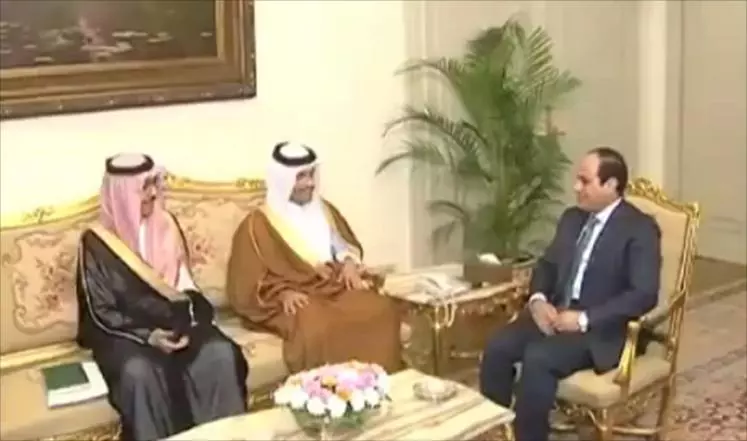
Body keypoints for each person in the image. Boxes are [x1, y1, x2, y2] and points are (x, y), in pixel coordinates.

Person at [479, 147, 661, 441]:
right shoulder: (572, 218)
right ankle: (496, 432)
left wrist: (584, 319)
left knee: (539, 357)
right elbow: (547, 265)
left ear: (611, 185)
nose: (576, 187)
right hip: (554, 316)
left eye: (585, 181)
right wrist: (538, 300)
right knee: (498, 345)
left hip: (600, 330)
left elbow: (644, 294)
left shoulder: (640, 229)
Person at [76, 154, 249, 441]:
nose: (153, 193)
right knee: (141, 373)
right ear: (122, 193)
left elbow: (184, 285)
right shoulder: (96, 242)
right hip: (126, 333)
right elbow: (100, 311)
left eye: (154, 184)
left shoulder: (166, 224)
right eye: (144, 187)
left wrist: (186, 323)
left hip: (173, 322)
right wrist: (148, 336)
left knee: (219, 354)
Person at [225, 142, 402, 374]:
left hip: (332, 286)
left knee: (381, 308)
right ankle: (330, 388)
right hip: (296, 296)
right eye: (301, 177)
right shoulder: (256, 226)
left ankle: (377, 383)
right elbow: (245, 284)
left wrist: (349, 265)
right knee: (316, 326)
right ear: (283, 180)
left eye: (311, 175)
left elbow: (343, 246)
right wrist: (282, 293)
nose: (310, 183)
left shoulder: (324, 210)